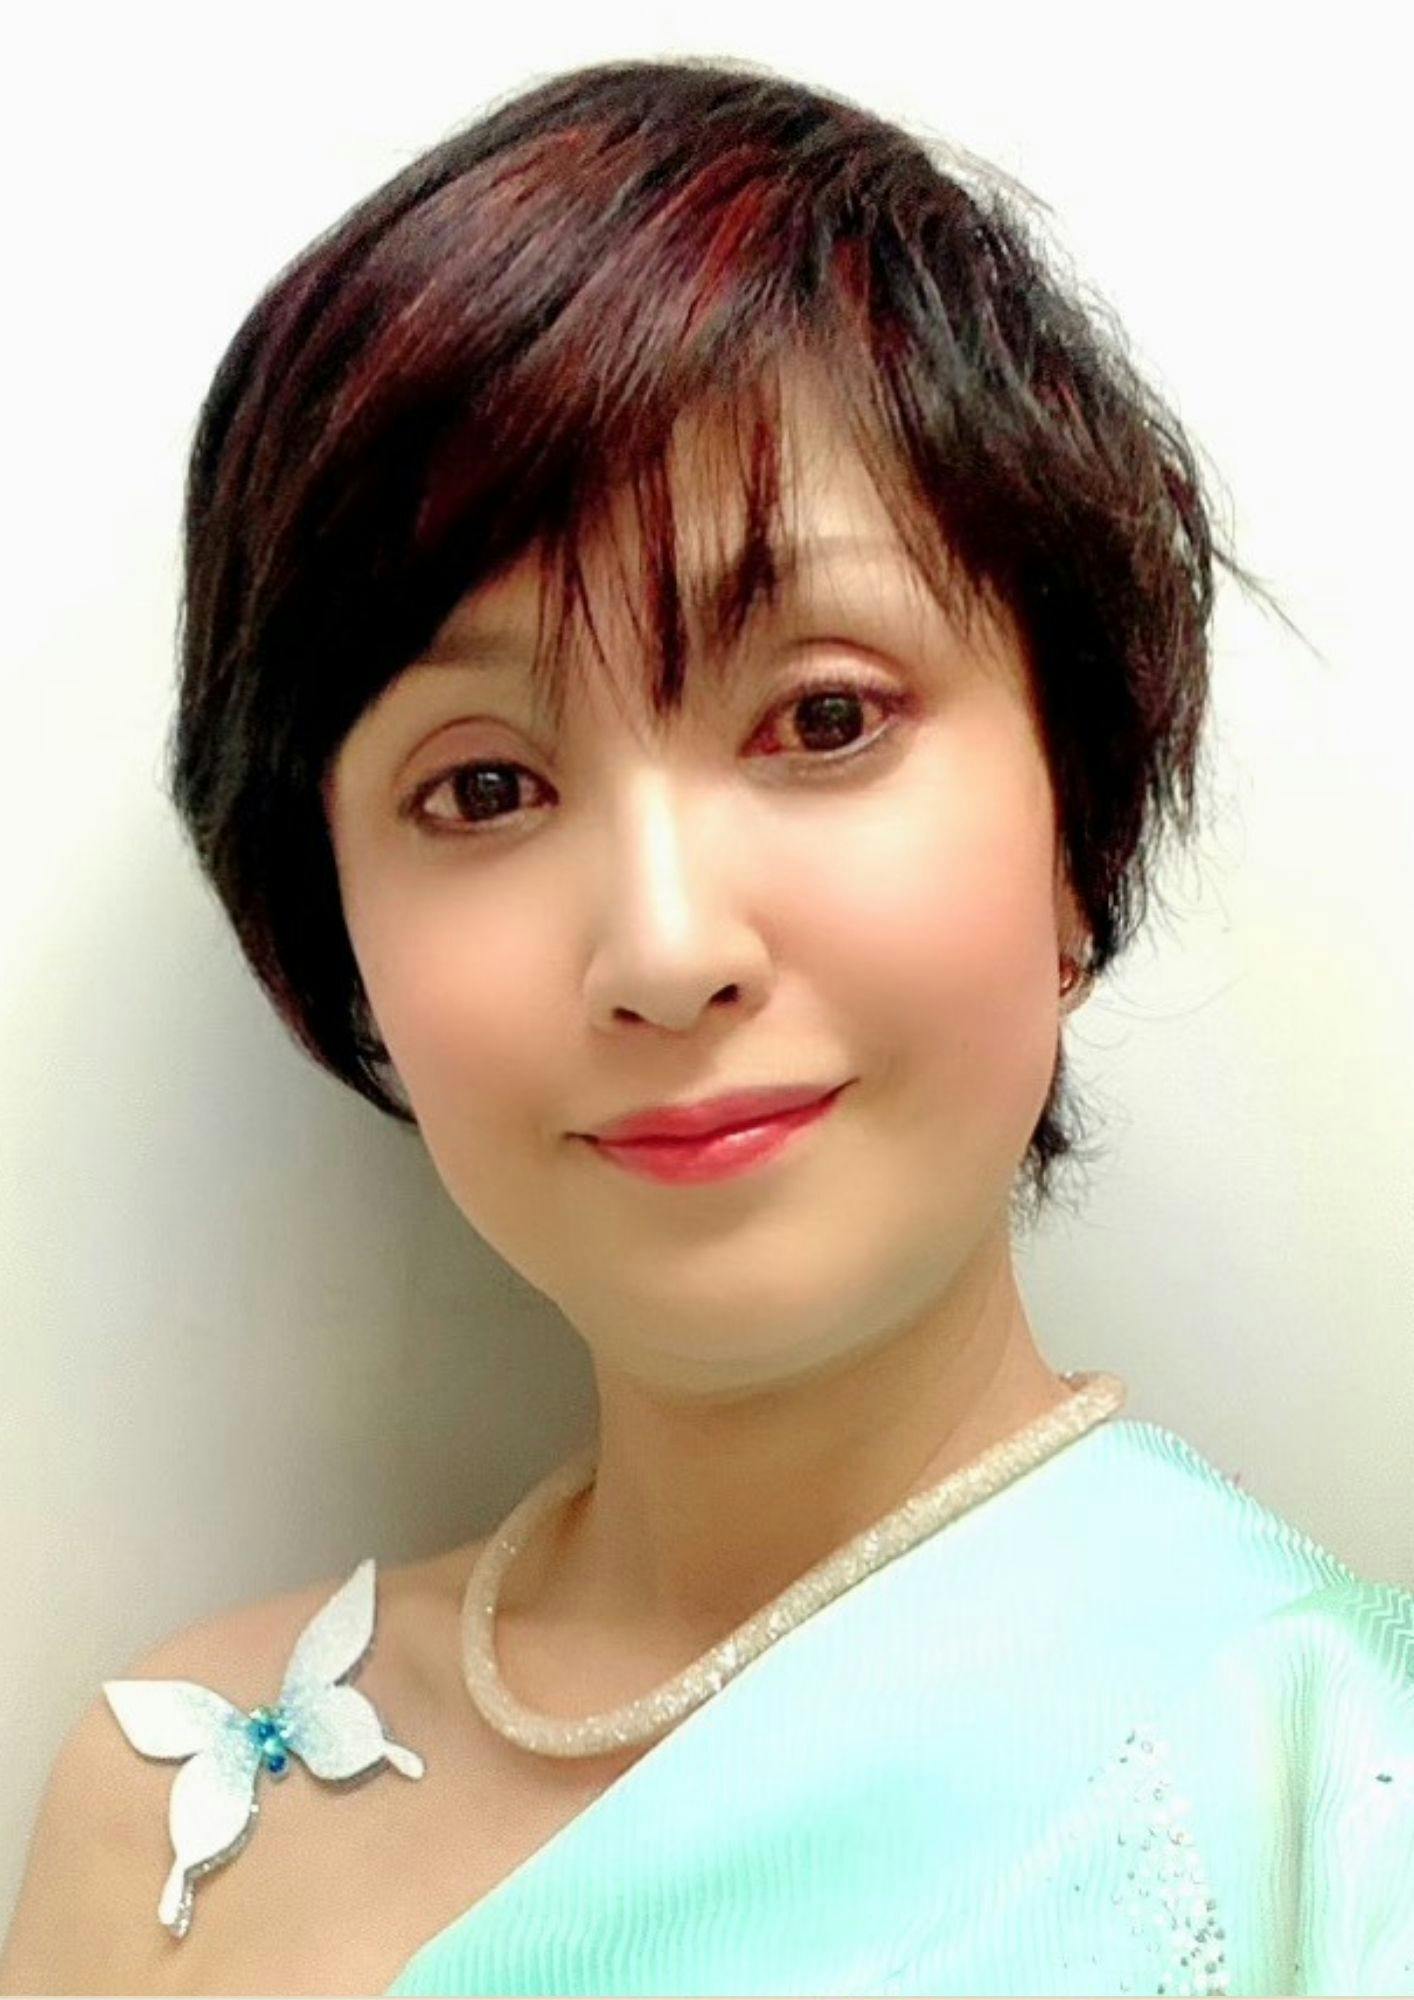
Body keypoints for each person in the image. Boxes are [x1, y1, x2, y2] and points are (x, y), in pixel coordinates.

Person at [3, 55, 1410, 2000]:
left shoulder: (1331, 1796)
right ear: (336, 941)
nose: (664, 950)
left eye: (822, 717)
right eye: (482, 788)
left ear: (1073, 837)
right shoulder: (172, 1812)